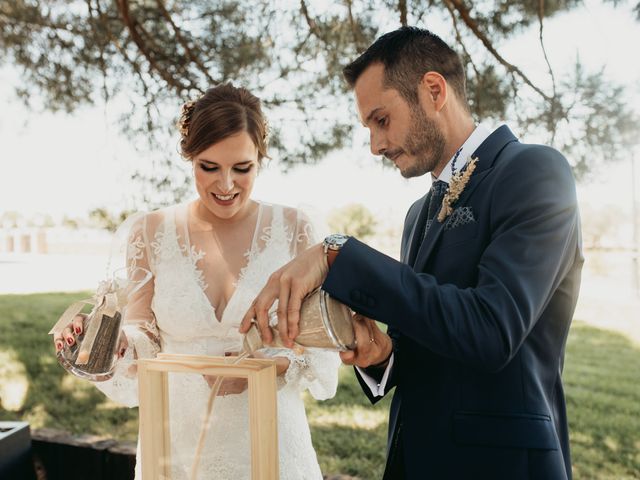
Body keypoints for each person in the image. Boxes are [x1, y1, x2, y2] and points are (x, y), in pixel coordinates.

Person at [240, 27, 583, 479]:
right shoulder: (418, 214)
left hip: (501, 464)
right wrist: (382, 355)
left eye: (381, 120)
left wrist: (337, 253)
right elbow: (429, 338)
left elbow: (491, 329)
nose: (375, 145)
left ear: (434, 90)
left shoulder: (534, 171)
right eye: (368, 128)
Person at [52, 83, 341, 479]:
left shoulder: (294, 229)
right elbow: (144, 335)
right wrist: (114, 343)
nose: (226, 185)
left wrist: (271, 365)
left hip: (272, 442)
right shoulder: (150, 232)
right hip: (176, 447)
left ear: (260, 158)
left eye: (242, 168)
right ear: (189, 157)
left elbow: (319, 346)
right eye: (210, 167)